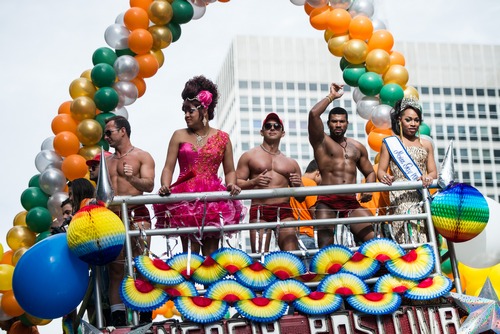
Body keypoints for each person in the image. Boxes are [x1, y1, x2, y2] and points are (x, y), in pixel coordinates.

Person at [156, 75, 244, 257]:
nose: (186, 115)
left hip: (213, 200)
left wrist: (231, 184)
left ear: (204, 110)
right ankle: (189, 286)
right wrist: (165, 185)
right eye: (184, 111)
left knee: (211, 255)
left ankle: (212, 286)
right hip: (184, 199)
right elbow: (168, 168)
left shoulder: (223, 137)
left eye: (190, 111)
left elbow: (229, 170)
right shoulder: (178, 135)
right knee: (189, 255)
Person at [308, 83, 376, 248]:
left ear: (347, 123)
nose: (338, 125)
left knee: (372, 239)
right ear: (328, 124)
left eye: (341, 122)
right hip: (327, 200)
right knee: (326, 247)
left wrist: (369, 188)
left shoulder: (357, 147)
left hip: (350, 201)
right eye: (334, 122)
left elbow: (370, 172)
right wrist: (331, 96)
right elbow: (313, 114)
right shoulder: (321, 142)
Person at [104, 115, 155, 326]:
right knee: (115, 267)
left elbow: (150, 185)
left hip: (137, 212)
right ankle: (117, 315)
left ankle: (145, 311)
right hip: (113, 216)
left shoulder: (142, 156)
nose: (106, 136)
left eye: (109, 132)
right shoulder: (106, 161)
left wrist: (131, 178)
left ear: (123, 131)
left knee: (141, 263)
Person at [236, 112, 304, 252]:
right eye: (268, 126)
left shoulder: (291, 163)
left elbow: (301, 197)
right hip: (260, 209)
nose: (272, 128)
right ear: (262, 132)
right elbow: (236, 183)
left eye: (276, 126)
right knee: (260, 258)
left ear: (282, 132)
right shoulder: (249, 156)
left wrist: (298, 186)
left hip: (285, 210)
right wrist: (253, 182)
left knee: (291, 255)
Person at [377, 97, 437, 244]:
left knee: (425, 237)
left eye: (416, 120)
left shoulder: (427, 144)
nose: (413, 124)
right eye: (408, 120)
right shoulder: (390, 143)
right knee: (406, 236)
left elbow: (433, 172)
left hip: (421, 195)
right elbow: (381, 171)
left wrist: (428, 178)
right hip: (401, 196)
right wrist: (385, 177)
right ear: (399, 120)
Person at [290, 160, 322, 250]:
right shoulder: (310, 184)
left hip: (292, 236)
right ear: (318, 173)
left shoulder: (293, 184)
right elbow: (315, 213)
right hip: (307, 235)